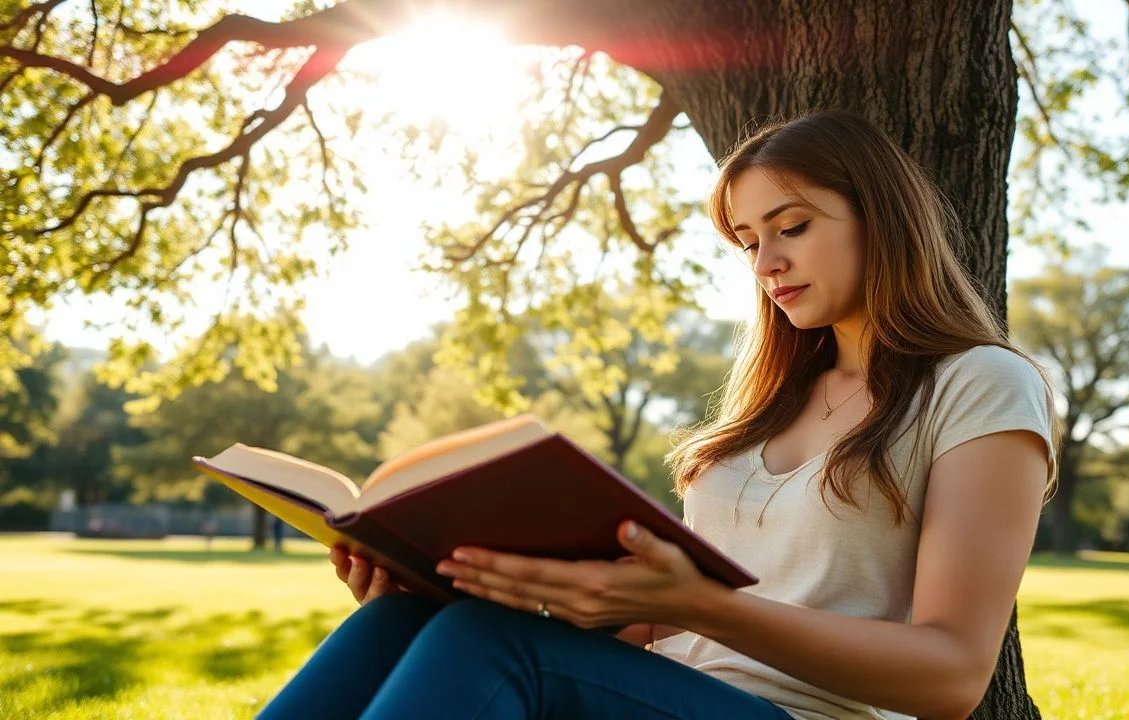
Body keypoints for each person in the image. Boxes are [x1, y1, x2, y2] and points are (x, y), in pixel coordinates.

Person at [255, 110, 1058, 720]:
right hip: (672, 693)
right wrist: (457, 586)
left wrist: (700, 605)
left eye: (793, 227)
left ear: (881, 218)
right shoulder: (769, 406)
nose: (766, 262)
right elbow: (659, 635)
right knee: (405, 623)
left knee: (485, 648)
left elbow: (951, 676)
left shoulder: (977, 383)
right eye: (747, 240)